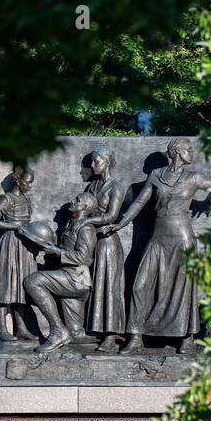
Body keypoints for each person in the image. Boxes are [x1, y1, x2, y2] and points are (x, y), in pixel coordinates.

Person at [103, 138, 211, 354]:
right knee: (140, 285)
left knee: (185, 289)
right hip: (158, 237)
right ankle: (135, 337)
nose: (192, 152)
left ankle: (187, 338)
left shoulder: (194, 177)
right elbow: (139, 202)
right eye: (189, 149)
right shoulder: (156, 175)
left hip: (182, 237)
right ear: (177, 152)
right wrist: (120, 223)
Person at [23, 192, 101, 353]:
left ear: (85, 207)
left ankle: (58, 330)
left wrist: (57, 251)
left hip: (76, 279)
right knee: (76, 336)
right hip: (67, 277)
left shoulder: (86, 228)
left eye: (78, 200)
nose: (73, 200)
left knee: (32, 281)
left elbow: (83, 258)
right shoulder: (71, 224)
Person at [71, 149, 127, 352]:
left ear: (107, 162)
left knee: (109, 288)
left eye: (96, 162)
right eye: (92, 162)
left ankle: (111, 337)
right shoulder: (92, 186)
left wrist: (87, 219)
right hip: (91, 242)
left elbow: (112, 216)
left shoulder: (117, 186)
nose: (92, 166)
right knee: (95, 287)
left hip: (107, 243)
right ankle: (93, 330)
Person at [0, 167, 37, 341]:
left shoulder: (26, 199)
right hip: (10, 244)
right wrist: (16, 226)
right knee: (6, 286)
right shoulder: (7, 198)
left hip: (25, 245)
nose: (30, 185)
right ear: (18, 180)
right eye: (28, 181)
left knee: (22, 287)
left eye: (31, 182)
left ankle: (21, 328)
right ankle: (2, 329)